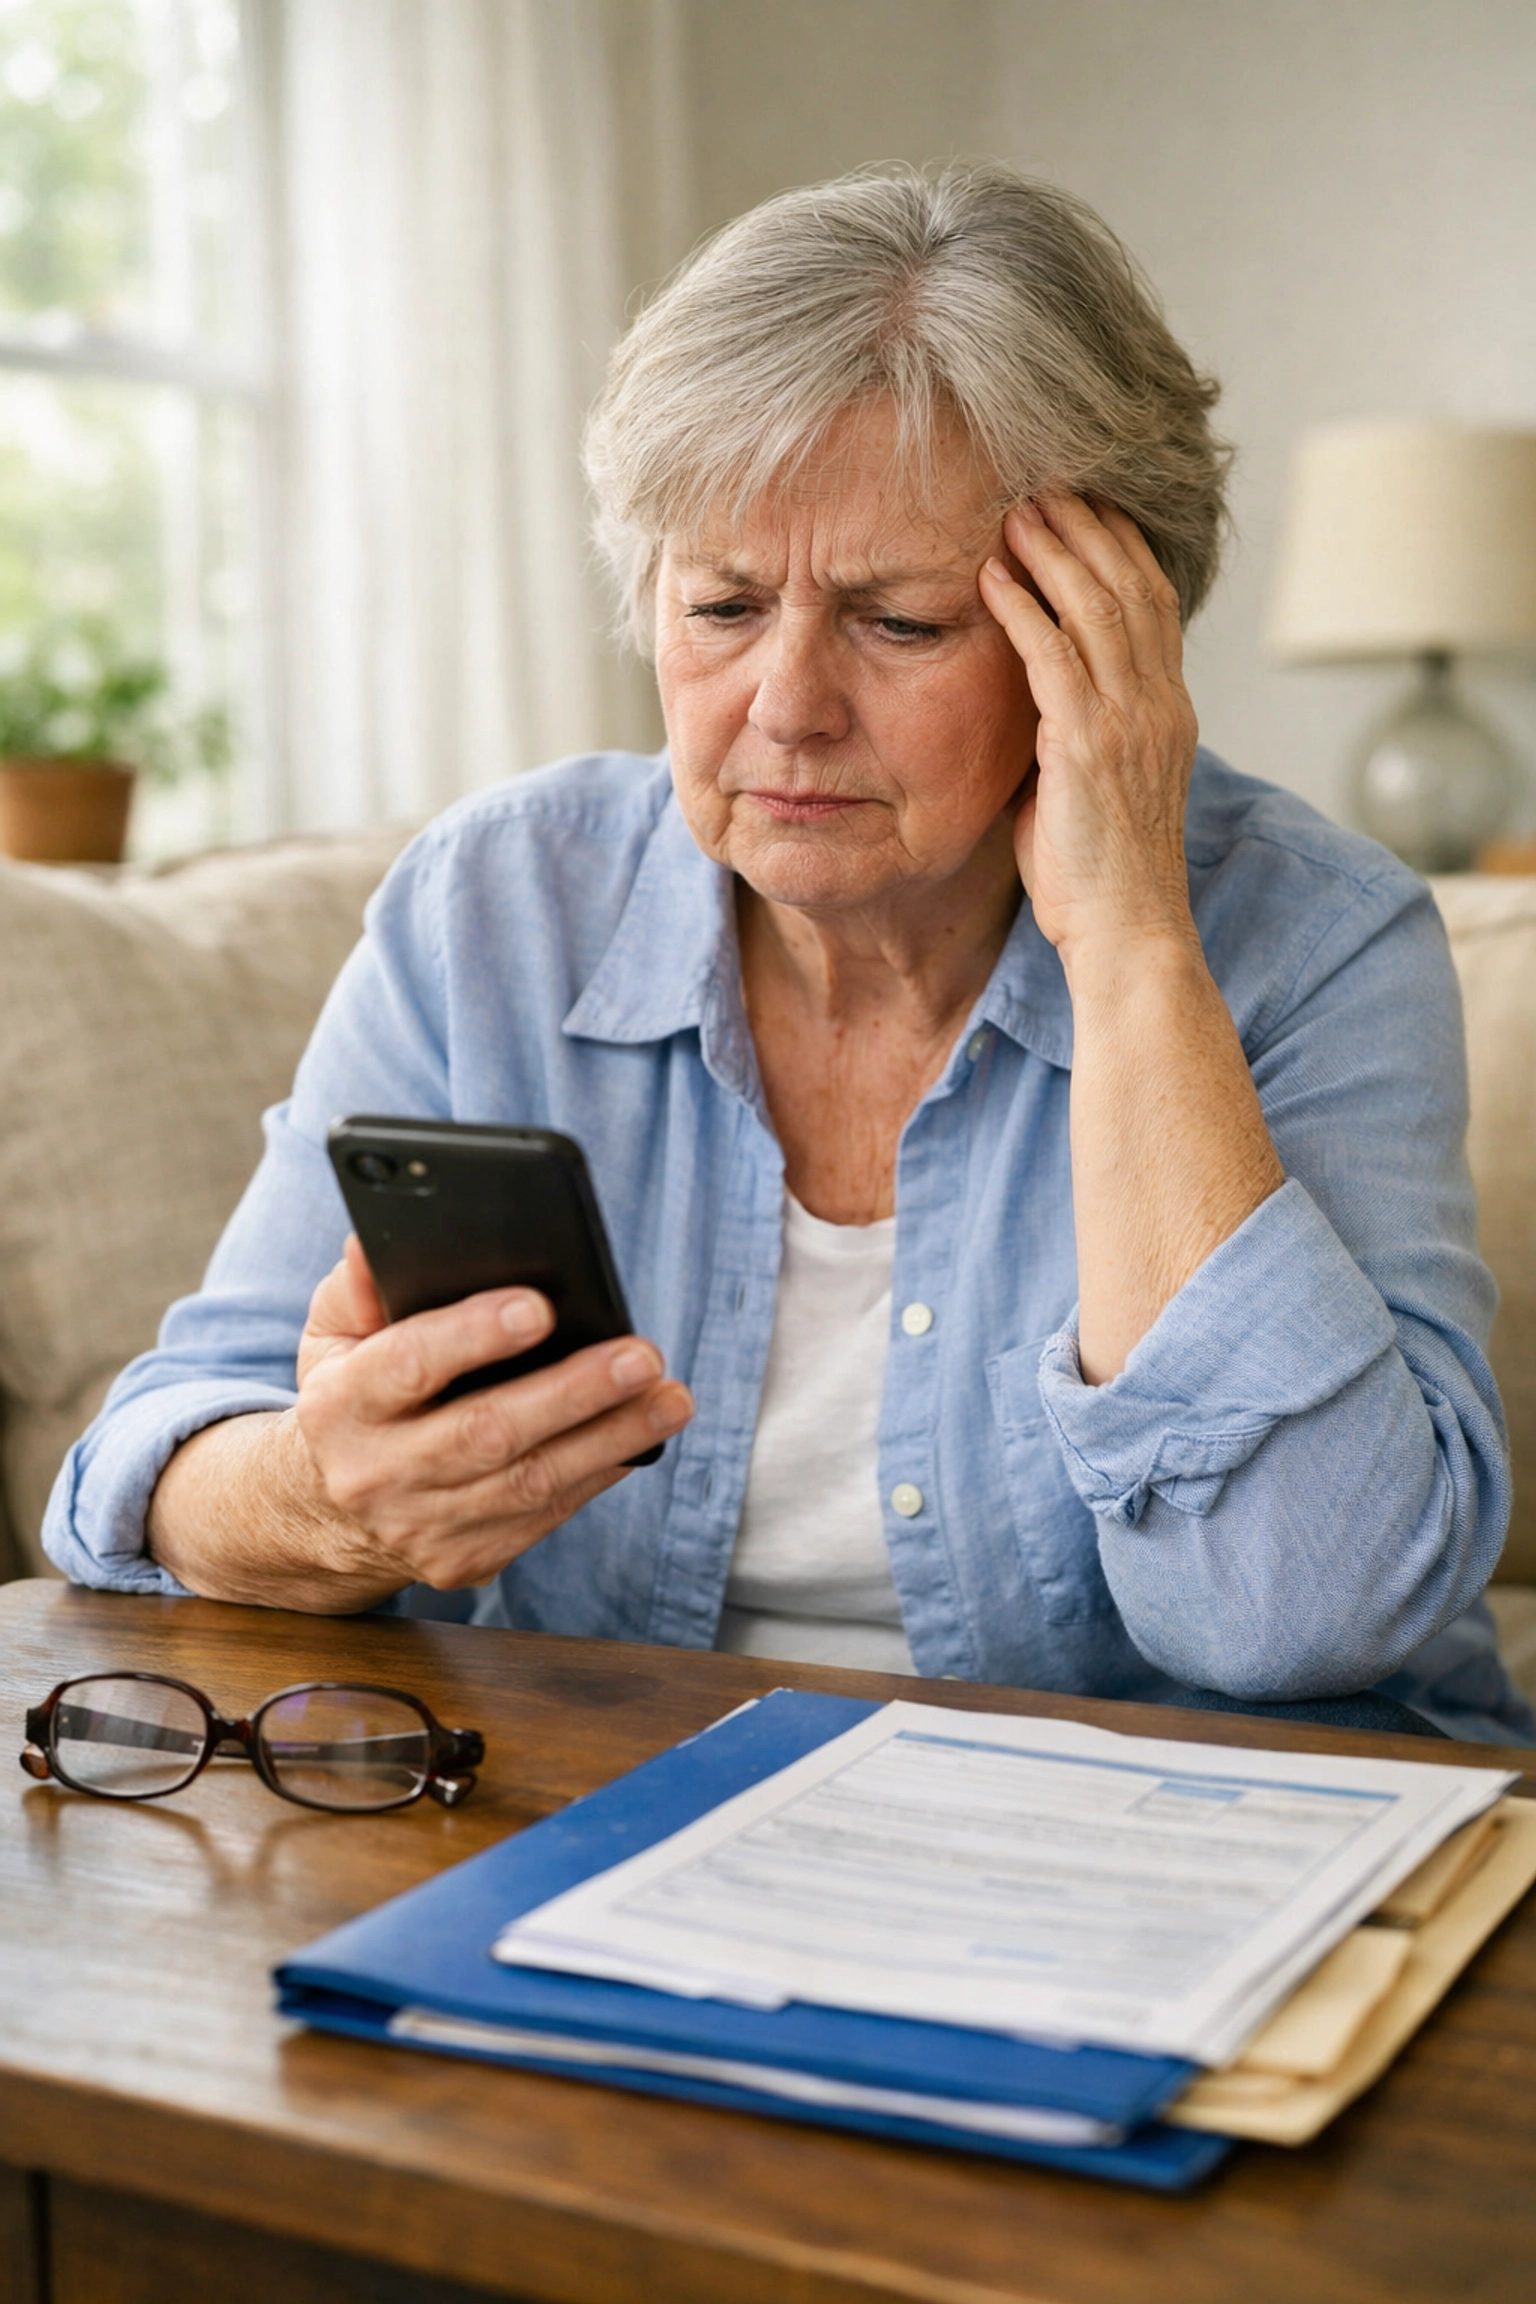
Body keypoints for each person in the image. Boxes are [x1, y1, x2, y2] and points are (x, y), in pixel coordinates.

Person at [44, 164, 1532, 1744]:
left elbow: (1293, 1616)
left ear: (1110, 636)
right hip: (614, 1815)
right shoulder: (492, 909)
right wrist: (325, 1499)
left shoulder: (1312, 936)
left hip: (1191, 1838)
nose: (788, 706)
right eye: (725, 603)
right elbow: (144, 1479)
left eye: (901, 621)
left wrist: (1135, 944)